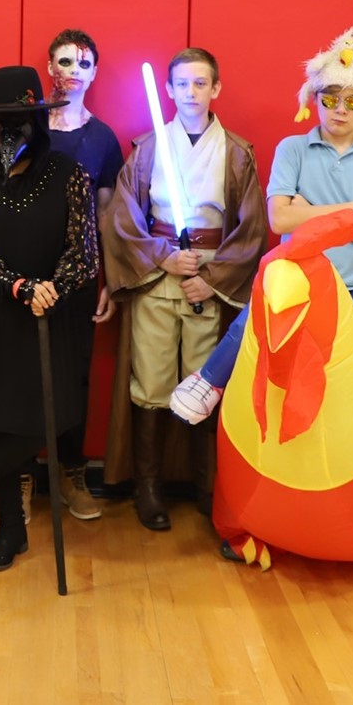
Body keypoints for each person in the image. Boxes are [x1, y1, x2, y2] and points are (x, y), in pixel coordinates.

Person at [175, 28, 353, 468]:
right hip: (300, 280)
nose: (341, 110)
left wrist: (311, 212)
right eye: (330, 99)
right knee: (255, 321)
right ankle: (210, 381)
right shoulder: (293, 149)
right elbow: (279, 220)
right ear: (314, 99)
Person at [0, 66, 99, 573]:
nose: (12, 129)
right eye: (1, 120)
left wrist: (53, 287)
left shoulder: (69, 174)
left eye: (22, 118)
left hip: (52, 314)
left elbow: (85, 250)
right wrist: (17, 285)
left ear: (39, 119)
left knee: (47, 419)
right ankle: (11, 530)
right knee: (2, 424)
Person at [103, 48, 269, 532]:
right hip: (160, 272)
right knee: (151, 382)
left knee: (207, 382)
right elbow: (123, 218)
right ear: (169, 90)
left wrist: (211, 278)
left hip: (212, 276)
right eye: (182, 84)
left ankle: (207, 483)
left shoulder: (236, 152)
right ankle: (148, 487)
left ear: (216, 89)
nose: (191, 93)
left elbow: (253, 228)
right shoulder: (148, 148)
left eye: (201, 84)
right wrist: (162, 256)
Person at [40, 28, 124, 521]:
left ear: (94, 73)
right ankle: (22, 474)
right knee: (24, 371)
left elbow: (108, 211)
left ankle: (71, 473)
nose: (73, 71)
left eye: (83, 64)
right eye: (64, 62)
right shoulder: (26, 126)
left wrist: (109, 277)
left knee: (73, 375)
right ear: (50, 66)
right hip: (23, 273)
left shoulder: (102, 138)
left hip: (79, 276)